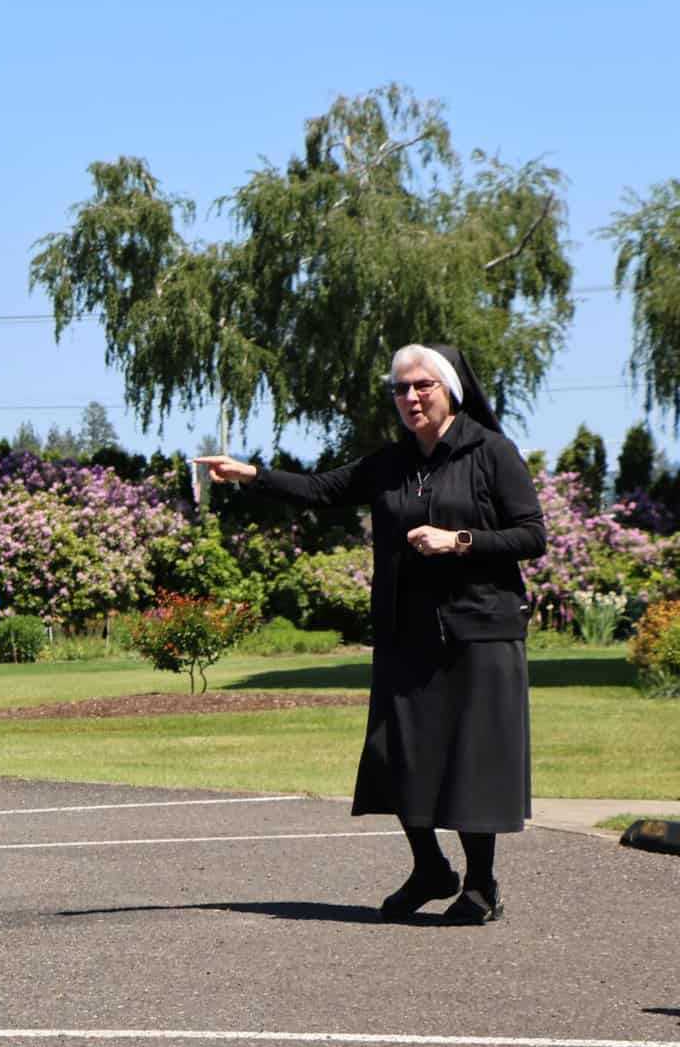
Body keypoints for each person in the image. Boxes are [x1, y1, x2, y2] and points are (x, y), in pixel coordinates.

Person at [194, 344, 545, 924]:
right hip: (406, 631)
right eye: (401, 389)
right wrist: (251, 475)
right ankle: (430, 867)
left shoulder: (491, 452)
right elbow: (321, 490)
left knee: (471, 760)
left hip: (480, 632)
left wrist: (459, 541)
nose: (410, 398)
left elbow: (532, 535)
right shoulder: (391, 462)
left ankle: (481, 886)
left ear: (449, 389)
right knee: (400, 754)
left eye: (422, 386)